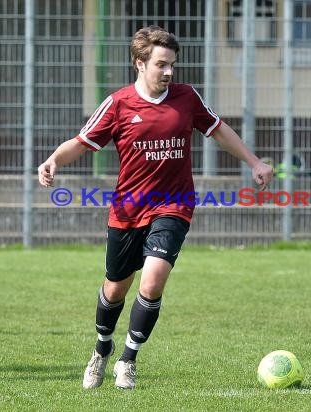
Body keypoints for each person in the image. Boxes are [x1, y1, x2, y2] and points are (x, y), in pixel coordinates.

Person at [37, 25, 273, 390]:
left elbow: (219, 129)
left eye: (172, 65)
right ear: (139, 63)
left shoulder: (187, 98)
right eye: (161, 64)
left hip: (174, 206)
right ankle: (102, 349)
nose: (169, 72)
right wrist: (54, 160)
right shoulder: (118, 104)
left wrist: (254, 162)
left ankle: (128, 361)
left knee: (153, 279)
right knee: (116, 288)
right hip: (127, 210)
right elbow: (83, 142)